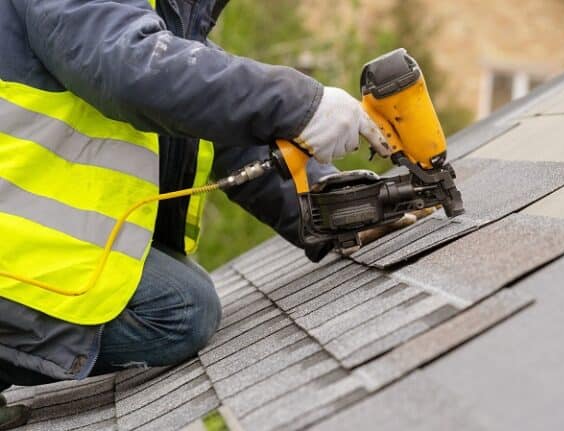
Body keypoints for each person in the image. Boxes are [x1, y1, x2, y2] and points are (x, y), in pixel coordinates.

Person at [0, 1, 392, 428]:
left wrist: (337, 207)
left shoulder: (166, 15)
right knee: (181, 308)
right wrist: (298, 103)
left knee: (184, 298)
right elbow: (134, 69)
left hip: (24, 249)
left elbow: (223, 129)